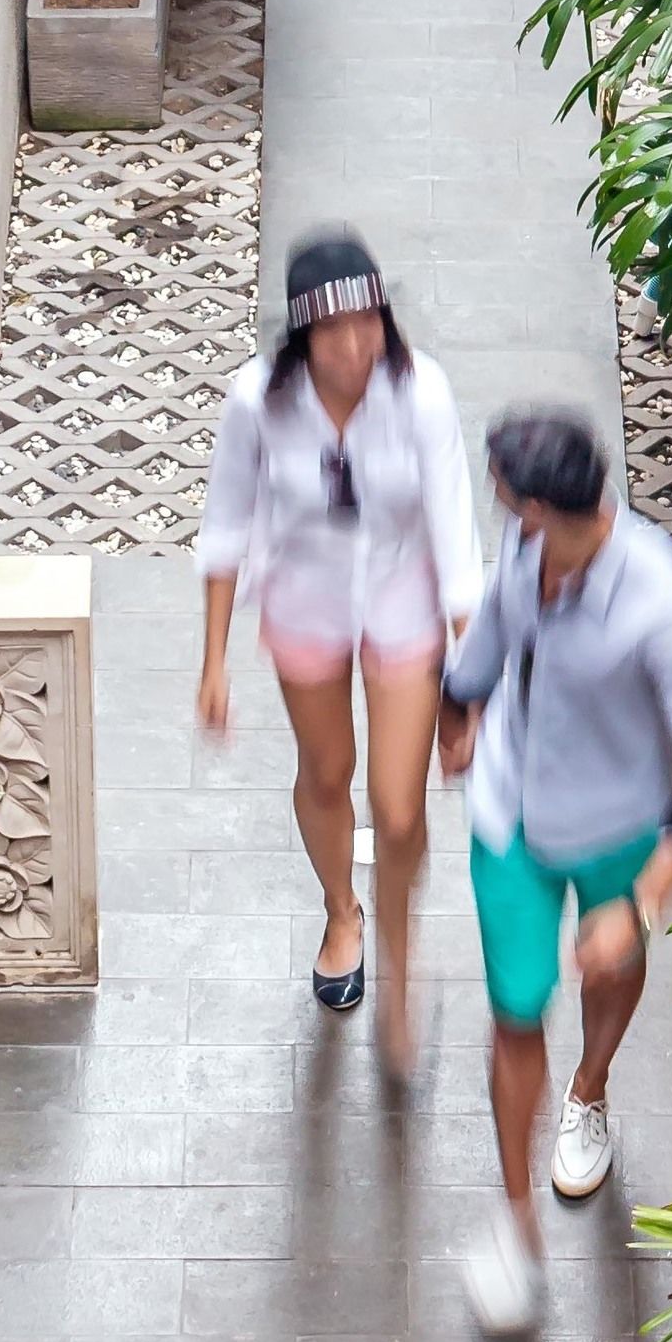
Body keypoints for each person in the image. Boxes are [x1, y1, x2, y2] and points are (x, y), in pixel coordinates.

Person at [439, 409, 672, 1336]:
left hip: (617, 826)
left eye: (505, 498)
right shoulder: (526, 551)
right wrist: (460, 708)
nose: (501, 513)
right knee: (516, 1007)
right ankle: (518, 1220)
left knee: (610, 967)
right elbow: (489, 639)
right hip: (513, 819)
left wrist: (643, 902)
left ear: (540, 505)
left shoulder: (663, 603)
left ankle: (591, 1091)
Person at [196, 232, 482, 1069]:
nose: (355, 346)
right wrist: (212, 662)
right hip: (305, 601)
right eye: (333, 331)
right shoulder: (258, 400)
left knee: (398, 806)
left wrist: (476, 681)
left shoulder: (420, 391)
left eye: (368, 324)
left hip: (403, 601)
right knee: (327, 772)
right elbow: (225, 526)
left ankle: (397, 947)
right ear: (302, 338)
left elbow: (458, 543)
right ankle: (341, 913)